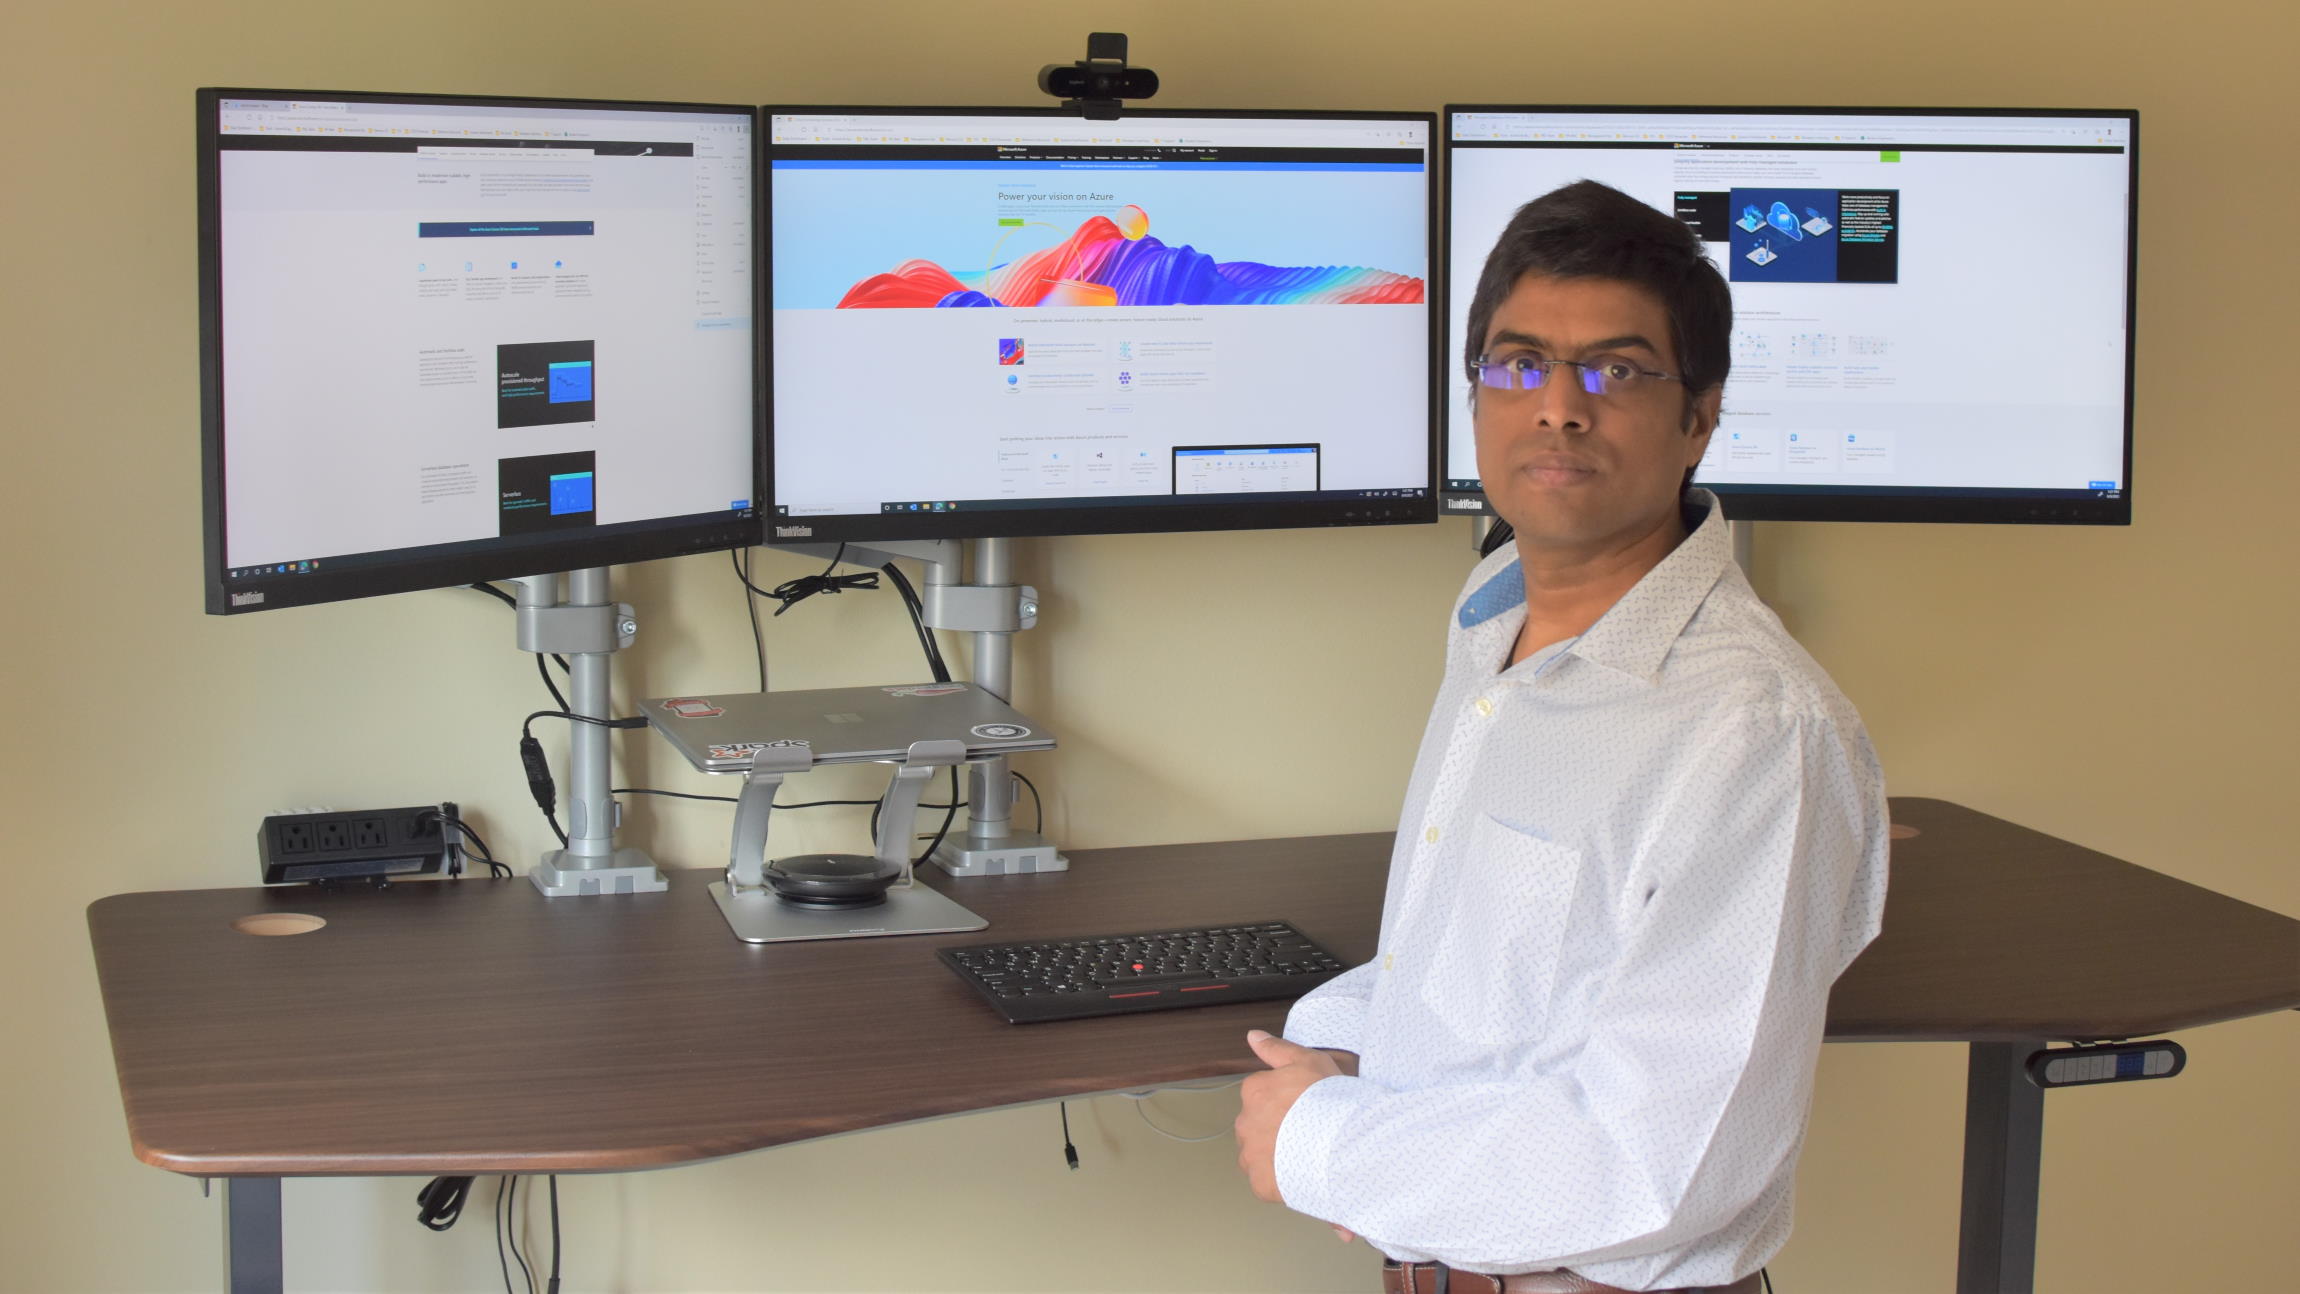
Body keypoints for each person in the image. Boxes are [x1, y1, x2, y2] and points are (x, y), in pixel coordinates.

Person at [1232, 180, 1890, 1294]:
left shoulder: (1756, 730)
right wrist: (1342, 1044)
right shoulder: (1493, 620)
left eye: (1616, 371)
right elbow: (1476, 966)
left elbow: (1663, 1163)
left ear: (1699, 418)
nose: (1557, 407)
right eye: (1518, 363)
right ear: (1475, 394)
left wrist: (1323, 1142)